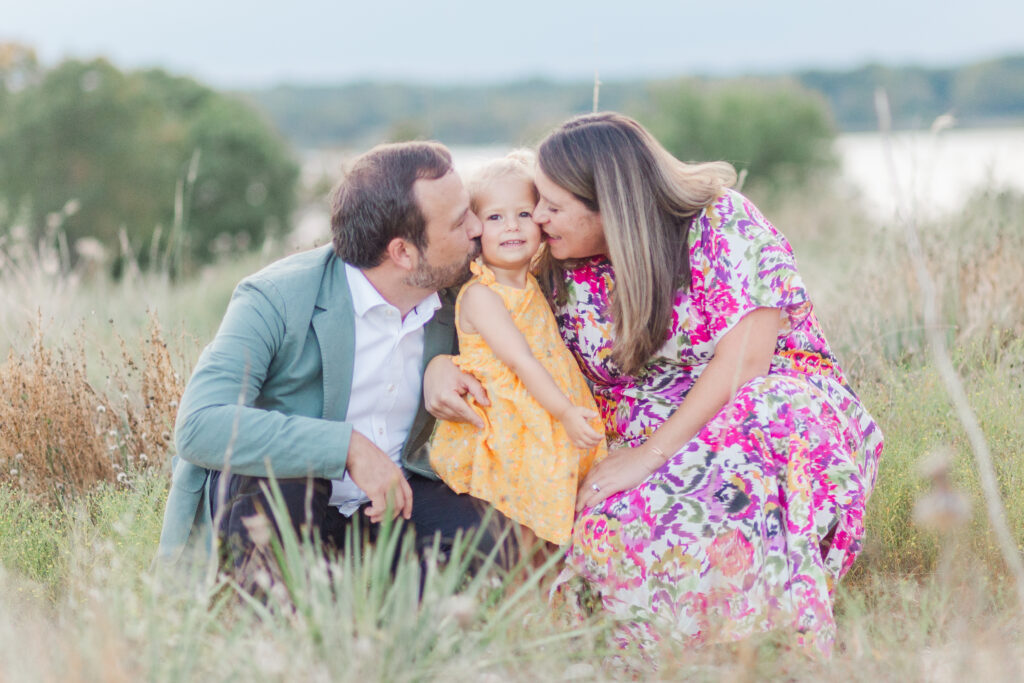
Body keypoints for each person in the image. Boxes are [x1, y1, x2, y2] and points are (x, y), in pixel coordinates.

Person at [426, 113, 883, 655]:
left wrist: (650, 455)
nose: (538, 218)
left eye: (550, 204)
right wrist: (440, 363)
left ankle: (770, 639)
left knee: (761, 425)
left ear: (607, 202)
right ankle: (675, 645)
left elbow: (747, 362)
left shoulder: (721, 223)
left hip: (757, 410)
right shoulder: (557, 258)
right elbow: (469, 298)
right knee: (607, 534)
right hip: (630, 435)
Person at [156, 141, 503, 576]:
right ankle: (282, 628)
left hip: (395, 509)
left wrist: (441, 367)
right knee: (275, 500)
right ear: (402, 253)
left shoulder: (467, 294)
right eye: (459, 222)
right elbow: (199, 425)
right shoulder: (275, 299)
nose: (477, 228)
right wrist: (347, 448)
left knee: (492, 537)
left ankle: (402, 634)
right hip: (291, 501)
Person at [428, 152, 606, 549]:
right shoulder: (482, 296)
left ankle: (551, 600)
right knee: (521, 528)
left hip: (542, 413)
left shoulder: (533, 279)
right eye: (495, 217)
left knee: (553, 519)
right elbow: (521, 361)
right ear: (475, 230)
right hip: (513, 424)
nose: (511, 226)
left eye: (524, 214)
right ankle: (520, 602)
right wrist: (564, 412)